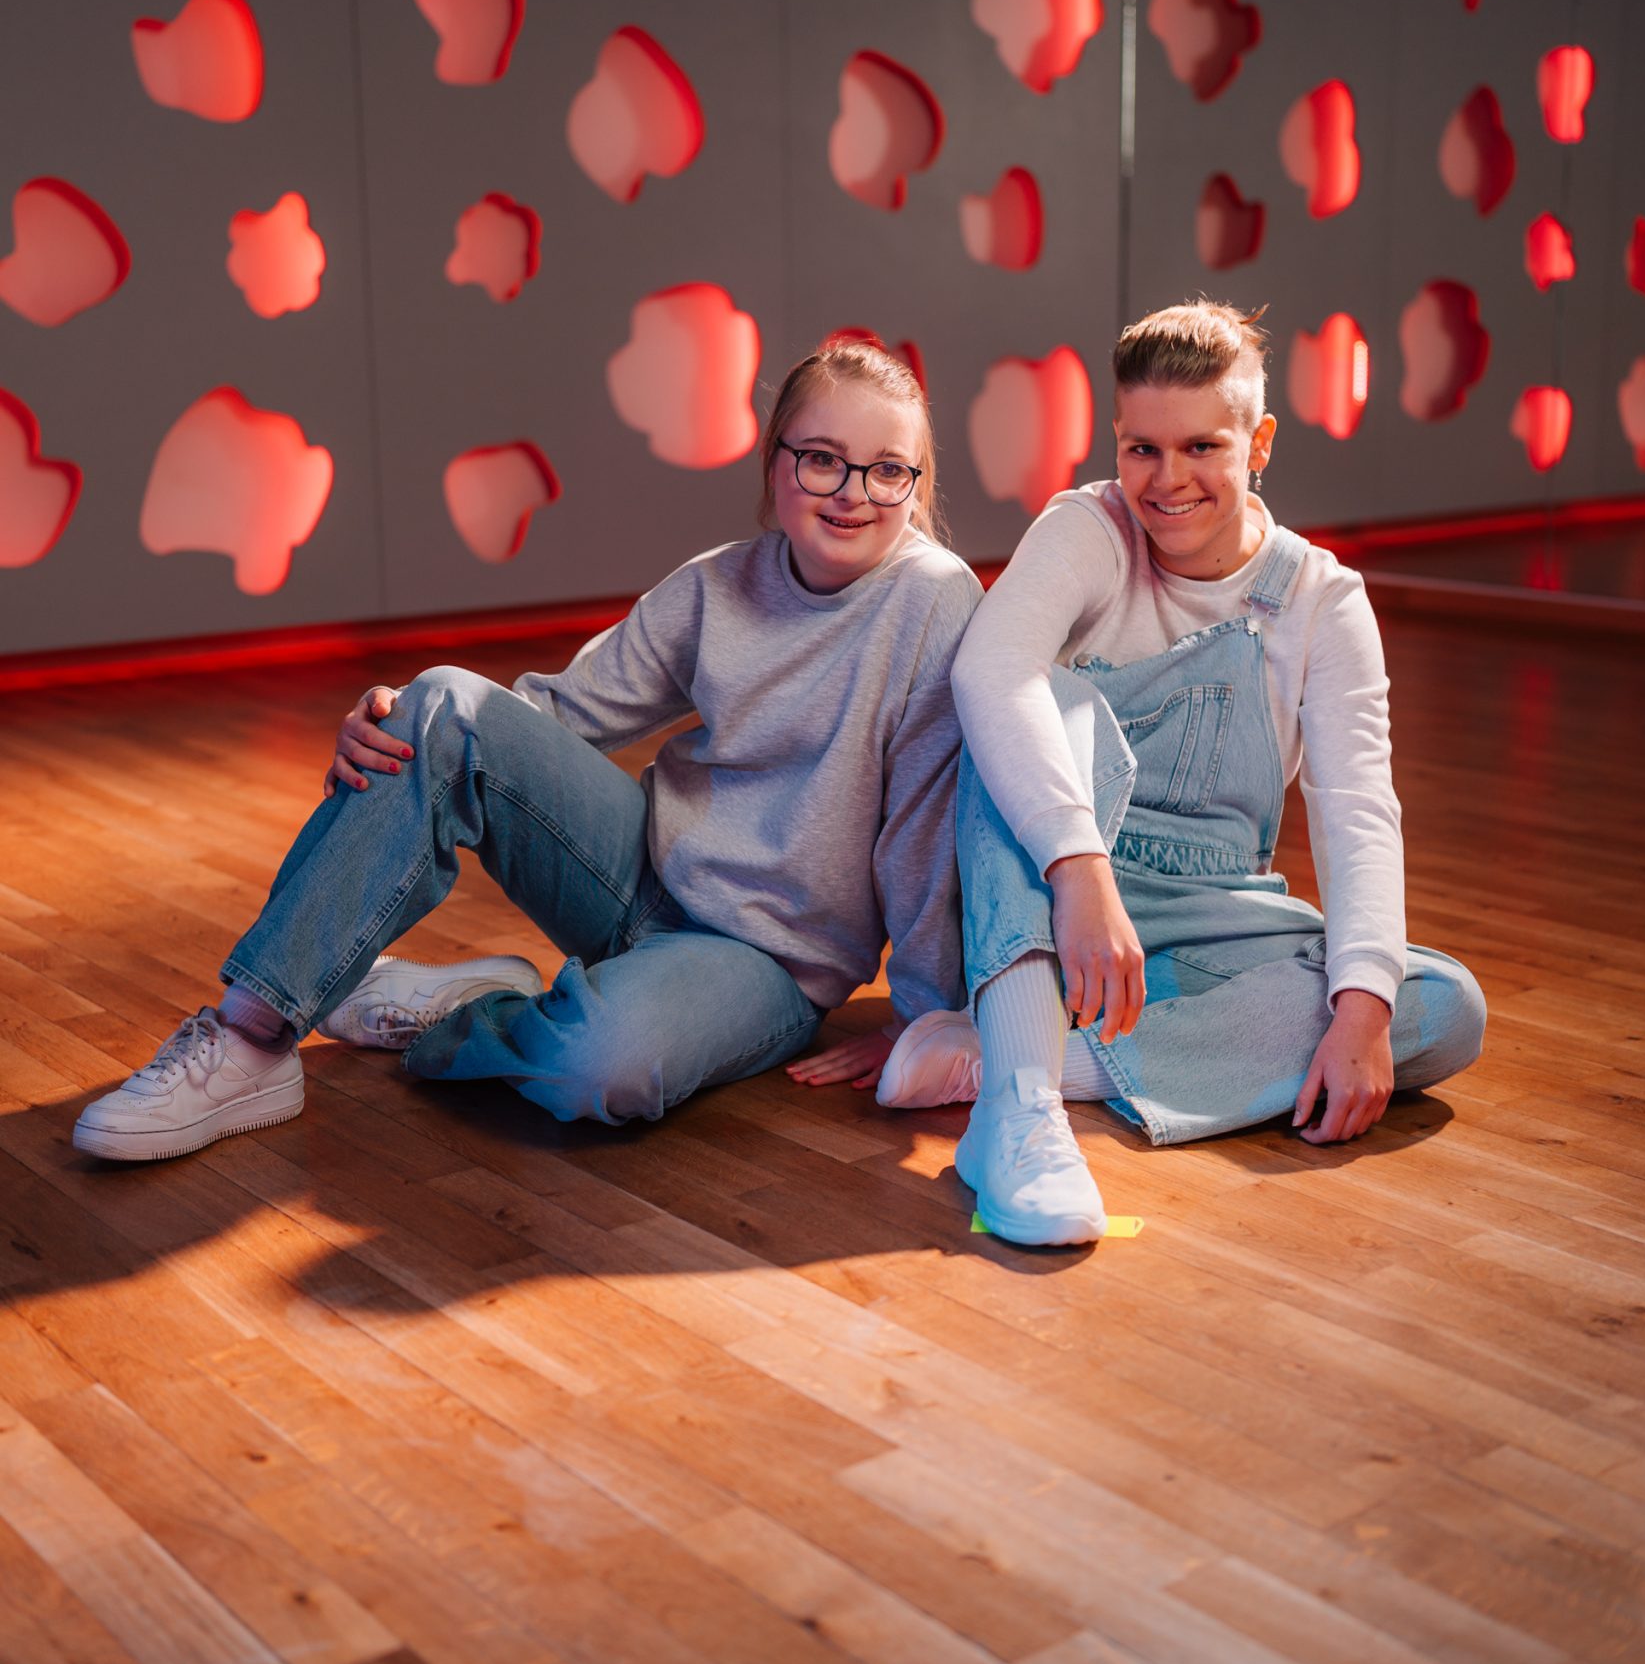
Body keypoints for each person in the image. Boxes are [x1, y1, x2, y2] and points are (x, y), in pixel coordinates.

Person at [74, 339, 983, 1162]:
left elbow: (927, 830)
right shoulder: (716, 584)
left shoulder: (932, 599)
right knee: (443, 702)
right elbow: (553, 716)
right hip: (637, 876)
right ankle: (252, 1036)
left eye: (886, 470)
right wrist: (405, 721)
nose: (852, 492)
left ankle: (463, 1011)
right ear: (775, 462)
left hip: (764, 962)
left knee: (596, 1070)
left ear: (916, 484)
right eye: (822, 459)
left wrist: (925, 1017)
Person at [930, 298, 1486, 1247]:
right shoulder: (1087, 529)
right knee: (1029, 706)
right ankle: (1020, 1112)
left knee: (1437, 1004)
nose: (1166, 480)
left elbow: (1357, 811)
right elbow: (988, 670)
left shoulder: (1320, 600)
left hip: (1210, 917)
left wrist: (1360, 1016)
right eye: (1140, 449)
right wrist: (1078, 870)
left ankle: (1023, 1055)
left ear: (1257, 443)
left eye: (1201, 447)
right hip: (1048, 900)